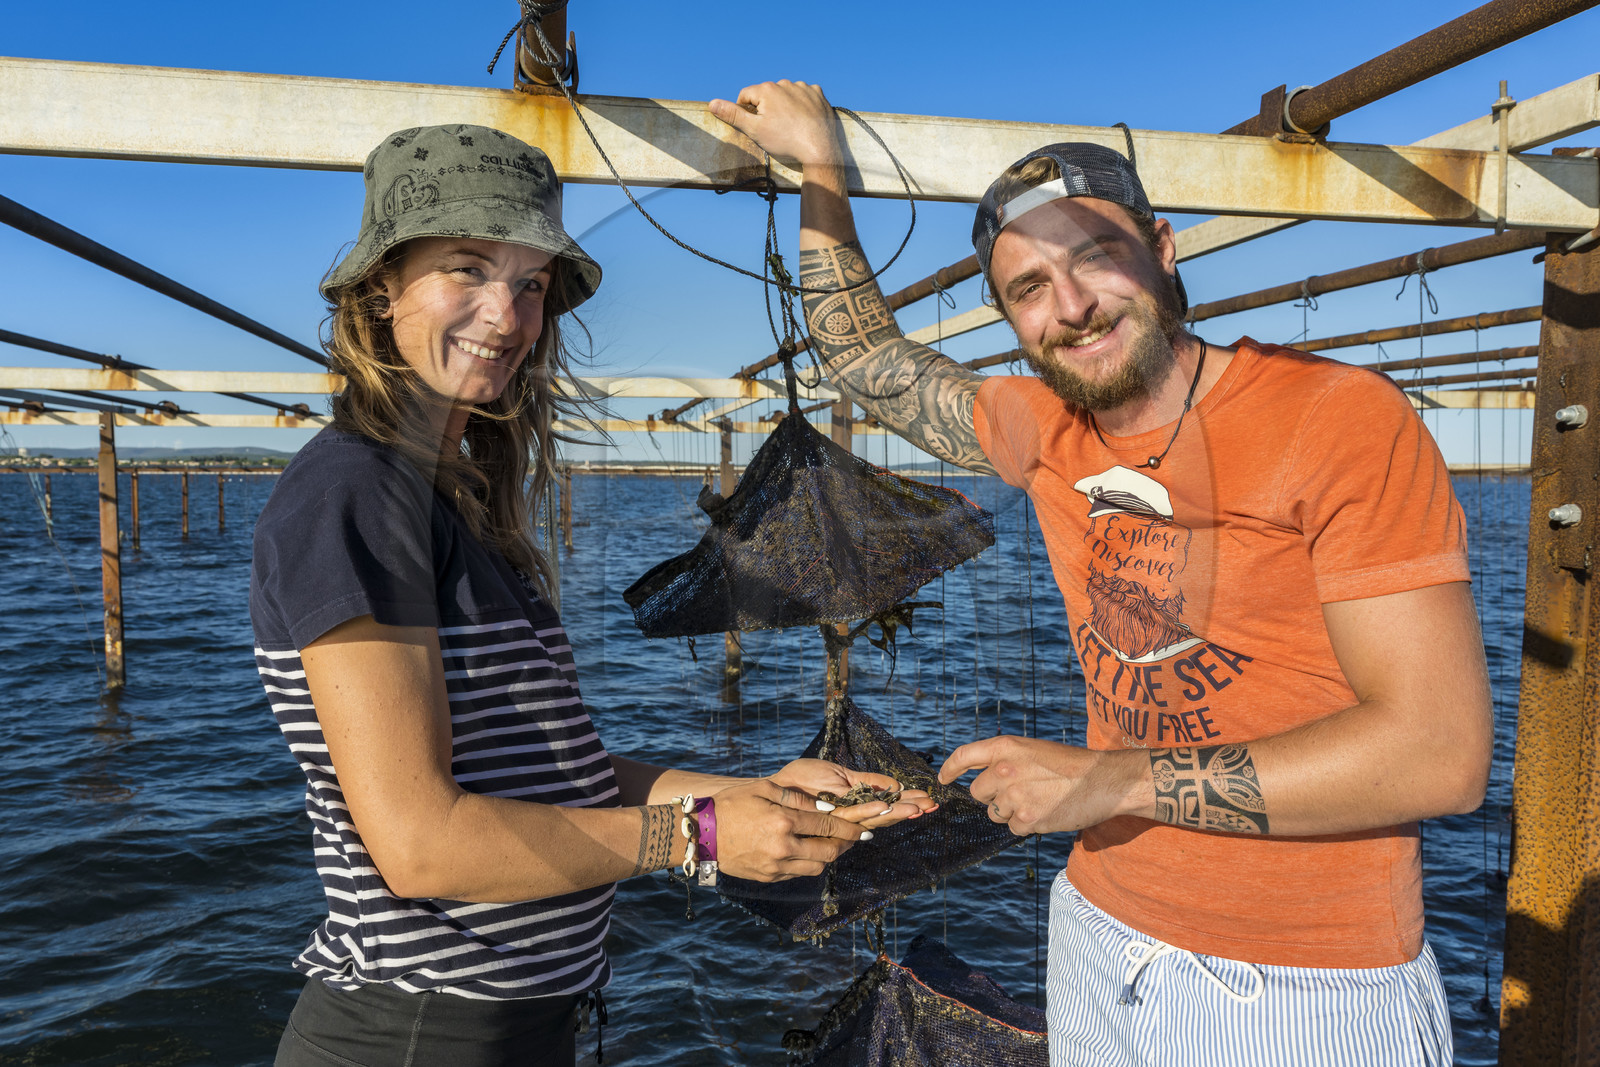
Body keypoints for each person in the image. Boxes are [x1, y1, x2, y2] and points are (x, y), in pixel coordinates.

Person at [710, 82, 1493, 1065]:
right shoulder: (1045, 432)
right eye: (1028, 287)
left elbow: (1436, 753)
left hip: (1299, 982)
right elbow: (867, 358)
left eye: (1093, 258)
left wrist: (1107, 779)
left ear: (1161, 250)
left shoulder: (1336, 417)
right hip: (1096, 925)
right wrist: (821, 170)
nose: (1070, 306)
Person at [248, 123, 934, 1067]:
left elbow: (550, 777)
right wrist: (699, 838)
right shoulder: (353, 491)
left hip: (519, 1028)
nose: (506, 312)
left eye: (531, 284)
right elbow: (420, 844)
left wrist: (755, 792)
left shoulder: (451, 501)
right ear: (380, 290)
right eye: (466, 268)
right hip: (416, 1036)